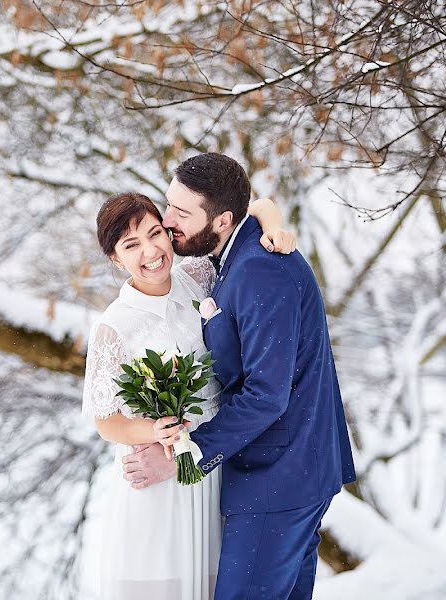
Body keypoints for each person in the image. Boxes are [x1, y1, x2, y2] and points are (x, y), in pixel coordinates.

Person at [123, 153, 357, 600]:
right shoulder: (236, 252)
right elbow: (254, 206)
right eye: (169, 204)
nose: (167, 220)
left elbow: (266, 395)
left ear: (222, 220)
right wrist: (268, 212)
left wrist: (182, 457)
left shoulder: (260, 269)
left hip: (280, 478)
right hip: (289, 473)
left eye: (181, 213)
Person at [82, 191, 296, 600]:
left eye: (154, 233)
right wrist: (153, 431)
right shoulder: (113, 326)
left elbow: (251, 208)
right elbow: (106, 419)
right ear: (115, 258)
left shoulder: (197, 276)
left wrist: (274, 228)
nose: (151, 251)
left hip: (213, 465)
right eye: (132, 245)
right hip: (161, 482)